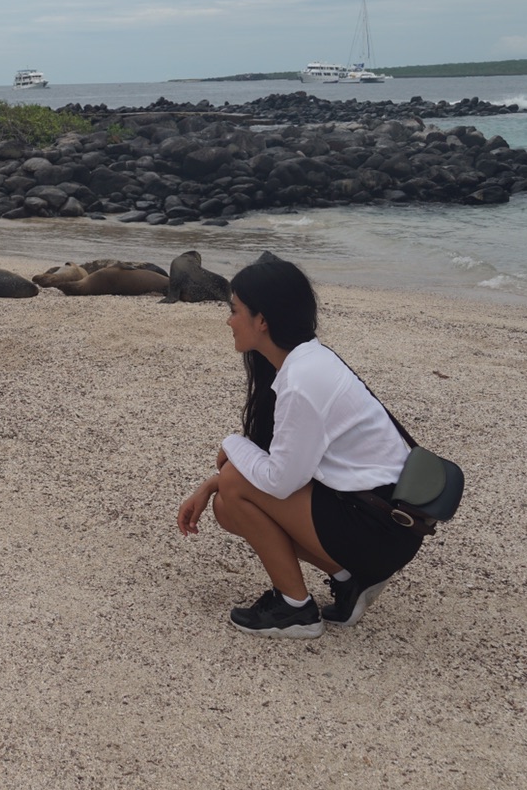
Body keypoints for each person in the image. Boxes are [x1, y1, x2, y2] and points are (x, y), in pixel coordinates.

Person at [176, 257, 424, 639]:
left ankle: (296, 610)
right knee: (227, 507)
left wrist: (231, 444)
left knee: (234, 486)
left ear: (263, 321)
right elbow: (287, 468)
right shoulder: (308, 359)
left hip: (381, 530)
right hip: (379, 516)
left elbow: (278, 482)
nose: (229, 320)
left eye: (234, 310)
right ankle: (348, 579)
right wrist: (211, 485)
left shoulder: (302, 381)